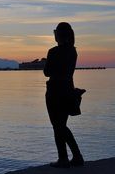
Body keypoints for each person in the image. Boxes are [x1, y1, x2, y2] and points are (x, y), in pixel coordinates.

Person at [44, 22, 84, 168]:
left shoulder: (53, 51)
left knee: (58, 126)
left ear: (58, 35)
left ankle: (64, 158)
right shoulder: (73, 51)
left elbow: (47, 72)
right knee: (61, 125)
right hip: (67, 89)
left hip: (55, 91)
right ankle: (75, 157)